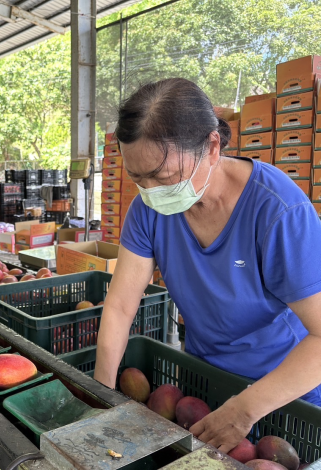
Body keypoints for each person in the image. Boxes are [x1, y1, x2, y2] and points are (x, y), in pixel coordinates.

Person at [93, 78, 321, 454]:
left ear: (212, 146)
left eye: (163, 178)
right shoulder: (147, 211)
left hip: (283, 394)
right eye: (137, 178)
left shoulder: (278, 212)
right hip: (204, 382)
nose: (150, 191)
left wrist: (244, 410)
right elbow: (119, 307)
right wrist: (102, 395)